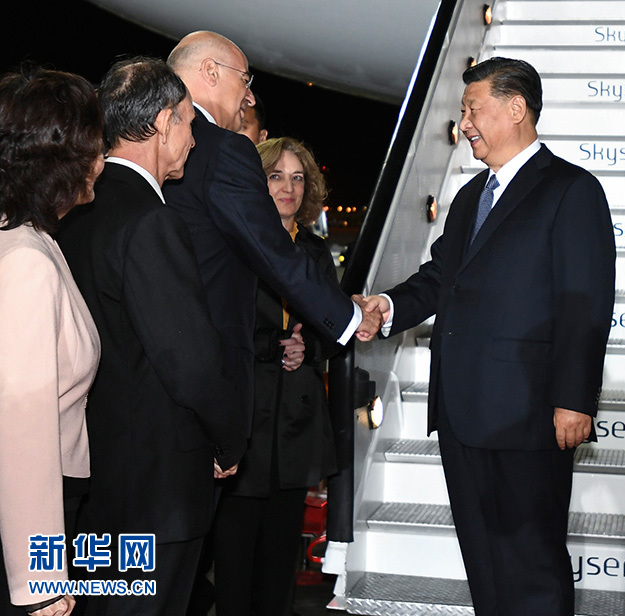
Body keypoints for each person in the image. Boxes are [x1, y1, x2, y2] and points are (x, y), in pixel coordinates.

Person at [356, 57, 616, 615]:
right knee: (484, 564)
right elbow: (440, 277)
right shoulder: (472, 195)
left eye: (473, 109)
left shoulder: (571, 189)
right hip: (461, 412)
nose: (465, 123)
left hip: (529, 415)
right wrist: (388, 306)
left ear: (516, 108)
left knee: (531, 566)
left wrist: (574, 399)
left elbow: (584, 303)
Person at [56, 58, 247, 615]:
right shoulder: (150, 221)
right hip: (155, 495)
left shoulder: (74, 212)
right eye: (189, 123)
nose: (193, 139)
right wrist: (228, 440)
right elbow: (190, 360)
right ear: (164, 123)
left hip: (90, 479)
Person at [163, 31, 378, 437]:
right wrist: (350, 316)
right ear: (210, 71)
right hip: (206, 373)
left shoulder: (150, 141)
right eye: (245, 80)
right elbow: (271, 249)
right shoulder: (223, 148)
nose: (248, 97)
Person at [213, 137, 338, 616]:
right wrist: (271, 345)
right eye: (276, 176)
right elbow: (220, 326)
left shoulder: (316, 252)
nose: (289, 187)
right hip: (246, 418)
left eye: (298, 178)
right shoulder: (236, 244)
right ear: (256, 183)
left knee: (281, 565)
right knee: (234, 562)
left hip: (296, 422)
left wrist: (310, 349)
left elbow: (335, 327)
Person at [0, 68, 104, 616]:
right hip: (34, 513)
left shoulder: (28, 237)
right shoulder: (26, 259)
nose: (102, 161)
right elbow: (21, 424)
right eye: (95, 147)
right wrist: (40, 582)